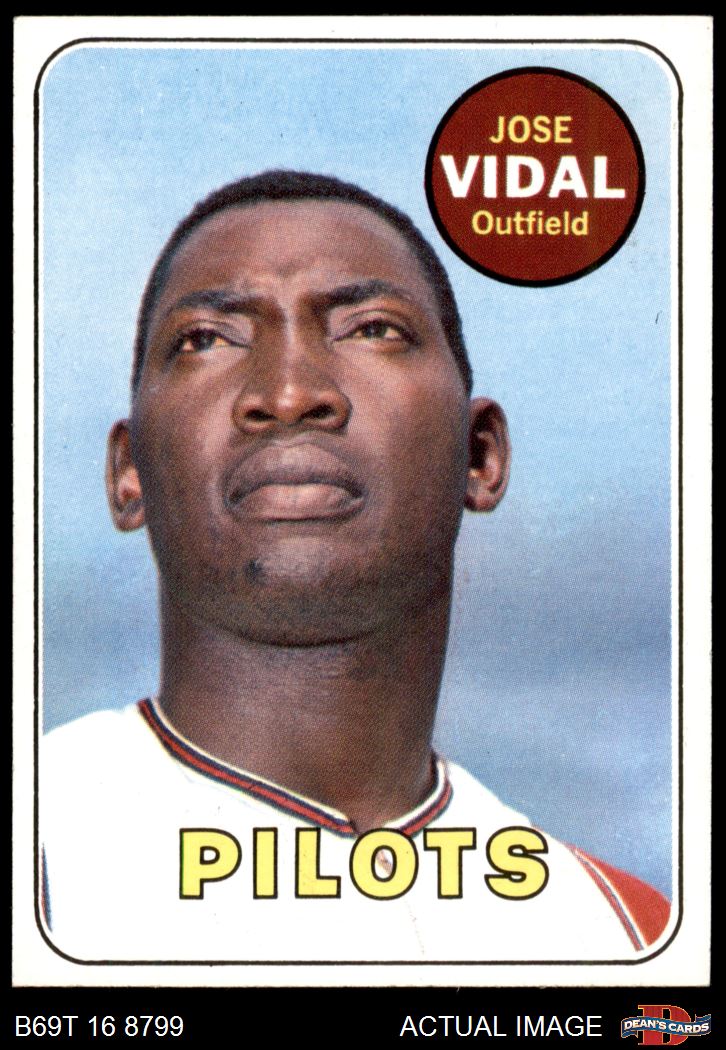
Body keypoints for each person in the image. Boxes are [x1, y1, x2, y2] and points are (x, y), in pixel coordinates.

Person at [41, 171, 669, 963]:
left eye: (372, 328)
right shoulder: (42, 841)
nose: (290, 392)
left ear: (479, 455)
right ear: (128, 472)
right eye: (206, 338)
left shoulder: (625, 934)